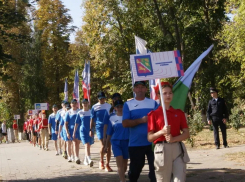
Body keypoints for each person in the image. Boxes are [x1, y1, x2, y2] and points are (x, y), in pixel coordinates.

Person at [147, 82, 190, 182]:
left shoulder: (179, 113)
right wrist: (162, 132)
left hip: (177, 149)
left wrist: (174, 138)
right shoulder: (153, 114)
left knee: (179, 180)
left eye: (170, 93)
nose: (168, 95)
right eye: (164, 93)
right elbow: (149, 137)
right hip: (162, 150)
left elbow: (186, 133)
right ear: (158, 96)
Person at [122, 81, 158, 182]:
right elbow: (125, 123)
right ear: (134, 90)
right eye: (137, 87)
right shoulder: (128, 104)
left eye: (142, 87)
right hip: (136, 144)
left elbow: (159, 120)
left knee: (155, 170)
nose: (140, 89)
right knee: (135, 171)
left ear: (146, 89)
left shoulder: (153, 103)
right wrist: (141, 120)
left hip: (152, 143)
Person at [106, 100, 129, 182]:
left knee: (125, 165)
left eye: (121, 106)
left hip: (126, 142)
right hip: (116, 142)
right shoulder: (112, 118)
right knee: (120, 164)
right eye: (117, 107)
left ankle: (122, 174)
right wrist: (106, 145)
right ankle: (122, 180)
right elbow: (109, 132)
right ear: (115, 108)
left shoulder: (127, 117)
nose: (119, 108)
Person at [90, 91, 112, 171]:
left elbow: (112, 116)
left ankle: (107, 164)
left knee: (109, 146)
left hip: (109, 127)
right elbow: (92, 119)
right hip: (99, 127)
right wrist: (91, 130)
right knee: (103, 144)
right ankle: (101, 161)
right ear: (98, 99)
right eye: (100, 99)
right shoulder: (94, 107)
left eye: (103, 98)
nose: (102, 100)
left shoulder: (109, 106)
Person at [74, 99, 94, 167]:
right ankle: (89, 159)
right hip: (82, 130)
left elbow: (94, 122)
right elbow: (76, 123)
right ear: (81, 104)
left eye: (86, 103)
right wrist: (74, 133)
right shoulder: (80, 113)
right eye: (83, 103)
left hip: (90, 130)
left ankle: (85, 159)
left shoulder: (91, 112)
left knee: (89, 145)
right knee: (87, 144)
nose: (85, 104)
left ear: (88, 103)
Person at [64, 99, 81, 163]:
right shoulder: (68, 112)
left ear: (77, 104)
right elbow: (66, 123)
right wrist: (67, 132)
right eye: (72, 103)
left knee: (77, 143)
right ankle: (72, 156)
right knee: (73, 142)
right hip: (71, 129)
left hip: (78, 129)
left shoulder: (79, 111)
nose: (73, 104)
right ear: (70, 105)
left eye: (75, 103)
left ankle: (75, 155)